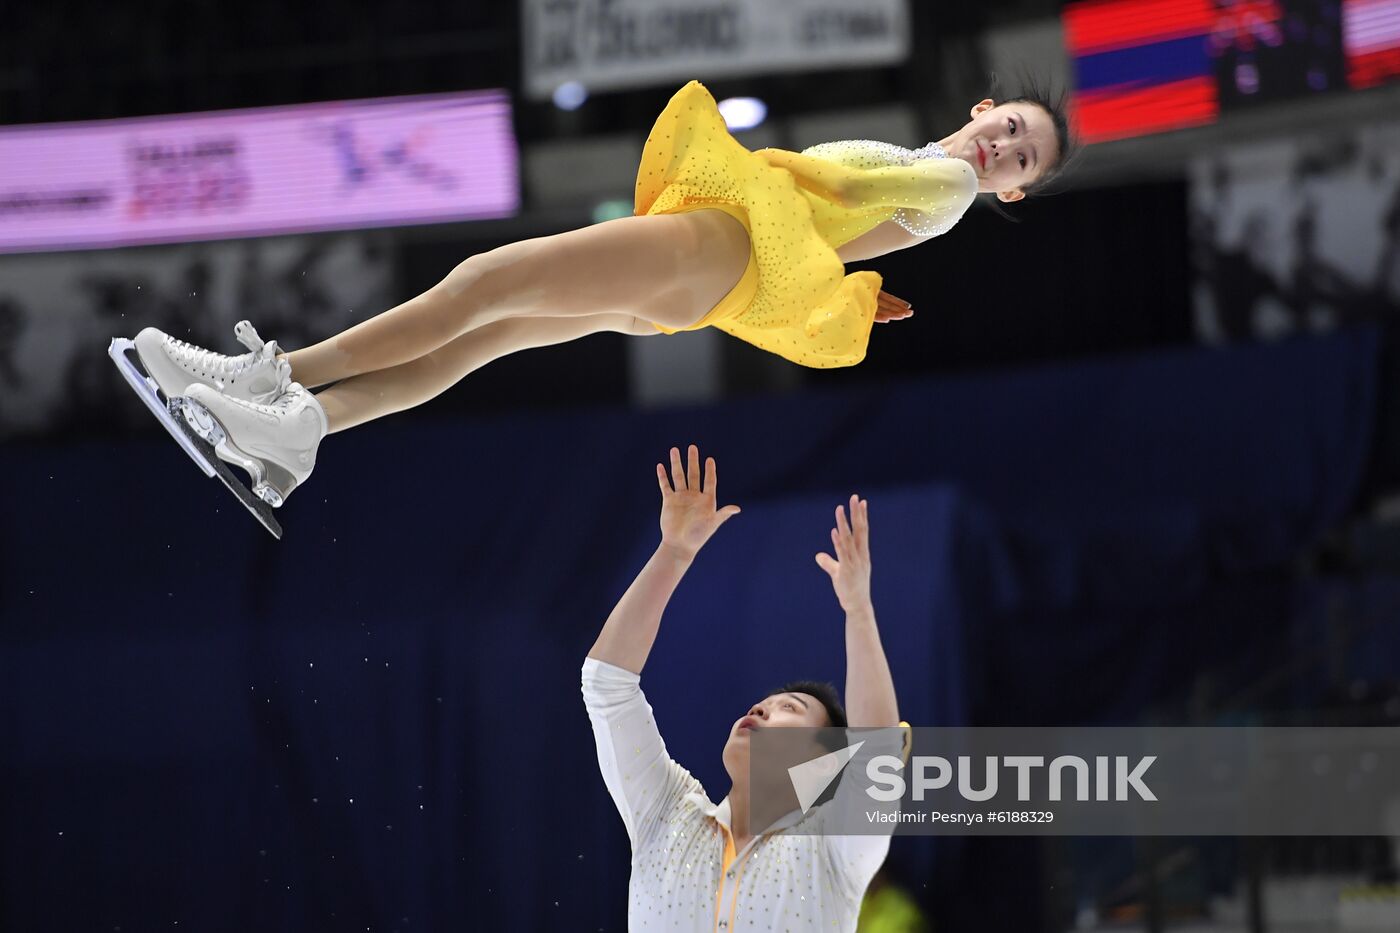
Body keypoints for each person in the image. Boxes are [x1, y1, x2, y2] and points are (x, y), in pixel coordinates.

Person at [126, 80, 1071, 506]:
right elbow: (843, 235)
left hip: (727, 249)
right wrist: (853, 300)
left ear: (1014, 188)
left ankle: (269, 379)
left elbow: (826, 229)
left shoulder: (945, 188)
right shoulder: (926, 175)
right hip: (714, 278)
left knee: (485, 284)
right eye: (1013, 128)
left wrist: (841, 294)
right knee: (481, 336)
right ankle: (302, 433)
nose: (1005, 149)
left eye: (1021, 160)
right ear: (986, 109)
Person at [582, 444, 904, 931]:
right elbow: (607, 682)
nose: (760, 708)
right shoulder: (665, 813)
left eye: (787, 709)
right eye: (765, 703)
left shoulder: (836, 850)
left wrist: (859, 613)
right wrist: (672, 553)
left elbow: (876, 756)